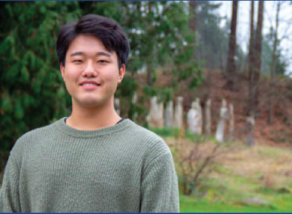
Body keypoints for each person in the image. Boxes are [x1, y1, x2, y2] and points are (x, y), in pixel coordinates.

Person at [0, 14, 179, 213]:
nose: (89, 71)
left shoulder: (150, 153)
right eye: (78, 60)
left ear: (121, 72)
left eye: (102, 61)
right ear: (63, 70)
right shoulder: (26, 149)